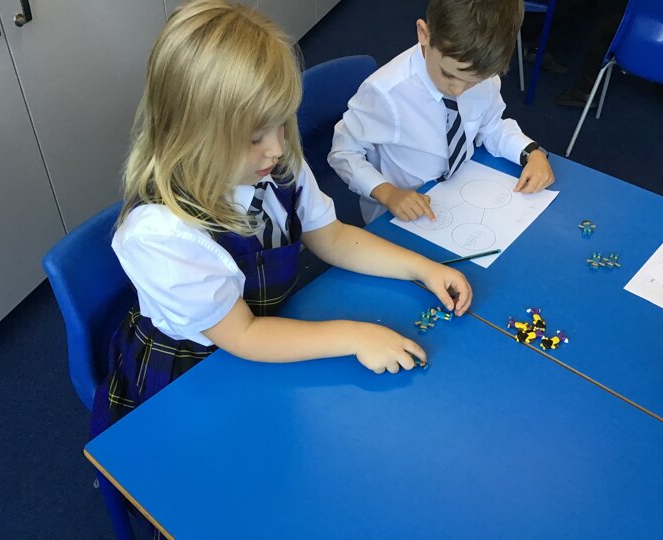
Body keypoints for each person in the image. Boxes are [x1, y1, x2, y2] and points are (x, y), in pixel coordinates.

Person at [90, 0, 473, 439]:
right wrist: (356, 337)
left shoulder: (273, 161)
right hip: (195, 371)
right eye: (256, 136)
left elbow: (331, 237)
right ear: (193, 134)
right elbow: (244, 335)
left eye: (281, 123)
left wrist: (422, 269)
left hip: (267, 332)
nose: (276, 147)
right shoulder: (162, 233)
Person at [328, 0, 555, 225]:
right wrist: (388, 194)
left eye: (472, 82)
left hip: (459, 193)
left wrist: (531, 153)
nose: (458, 90)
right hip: (400, 212)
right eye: (448, 74)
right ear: (424, 34)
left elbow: (492, 126)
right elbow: (344, 152)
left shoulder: (484, 74)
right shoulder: (385, 93)